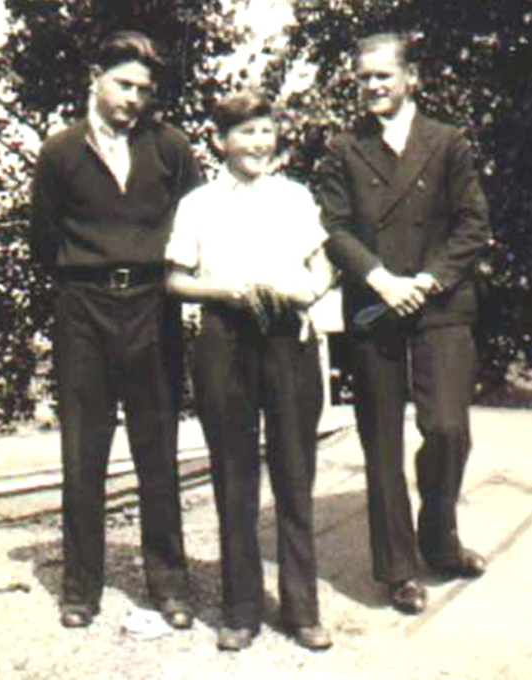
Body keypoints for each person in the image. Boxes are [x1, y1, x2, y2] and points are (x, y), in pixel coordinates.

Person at [30, 31, 201, 629]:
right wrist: (87, 283)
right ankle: (80, 589)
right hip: (83, 306)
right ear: (96, 78)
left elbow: (195, 226)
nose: (133, 99)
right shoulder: (60, 152)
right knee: (84, 452)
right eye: (124, 84)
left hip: (153, 306)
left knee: (157, 448)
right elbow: (45, 240)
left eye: (144, 91)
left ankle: (170, 585)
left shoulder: (171, 147)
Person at [319, 32, 490, 614]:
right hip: (374, 306)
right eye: (363, 78)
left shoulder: (448, 142)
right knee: (381, 443)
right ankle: (396, 570)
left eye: (383, 76)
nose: (372, 87)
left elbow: (473, 225)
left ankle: (438, 537)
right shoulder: (345, 148)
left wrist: (428, 279)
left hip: (438, 304)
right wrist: (380, 278)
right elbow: (334, 229)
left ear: (410, 77)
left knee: (446, 428)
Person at [165, 91, 334, 651]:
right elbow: (177, 280)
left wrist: (307, 289)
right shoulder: (198, 204)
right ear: (221, 141)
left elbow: (322, 265)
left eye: (265, 130)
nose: (259, 142)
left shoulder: (295, 197)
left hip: (288, 337)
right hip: (224, 338)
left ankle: (302, 609)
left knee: (293, 470)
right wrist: (227, 290)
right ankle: (240, 610)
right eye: (246, 133)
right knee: (234, 475)